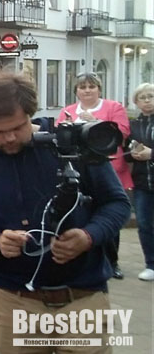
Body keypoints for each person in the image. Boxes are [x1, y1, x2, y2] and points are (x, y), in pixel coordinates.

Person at [0, 72, 130, 354]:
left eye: (17, 127)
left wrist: (89, 236)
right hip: (15, 301)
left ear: (31, 113)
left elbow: (117, 204)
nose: (9, 138)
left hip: (81, 297)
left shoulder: (73, 145)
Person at [56, 72, 131, 279]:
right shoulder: (68, 111)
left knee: (107, 213)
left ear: (99, 89)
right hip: (77, 170)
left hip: (106, 168)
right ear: (76, 91)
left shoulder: (113, 107)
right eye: (82, 87)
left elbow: (122, 133)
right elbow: (59, 135)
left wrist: (96, 122)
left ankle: (112, 261)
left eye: (91, 86)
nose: (87, 90)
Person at [124, 83, 154, 281]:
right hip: (143, 182)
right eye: (142, 98)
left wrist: (152, 154)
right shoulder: (133, 125)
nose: (147, 101)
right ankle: (151, 264)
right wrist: (132, 153)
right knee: (144, 223)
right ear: (136, 102)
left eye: (151, 96)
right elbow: (126, 153)